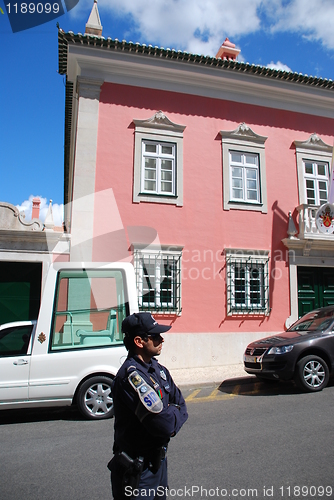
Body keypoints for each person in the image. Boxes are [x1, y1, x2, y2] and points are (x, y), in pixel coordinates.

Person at [109, 312, 188, 500]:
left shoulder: (158, 370)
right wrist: (171, 413)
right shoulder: (131, 377)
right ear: (139, 341)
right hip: (137, 470)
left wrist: (170, 413)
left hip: (158, 464)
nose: (161, 339)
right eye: (155, 336)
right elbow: (164, 425)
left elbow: (181, 404)